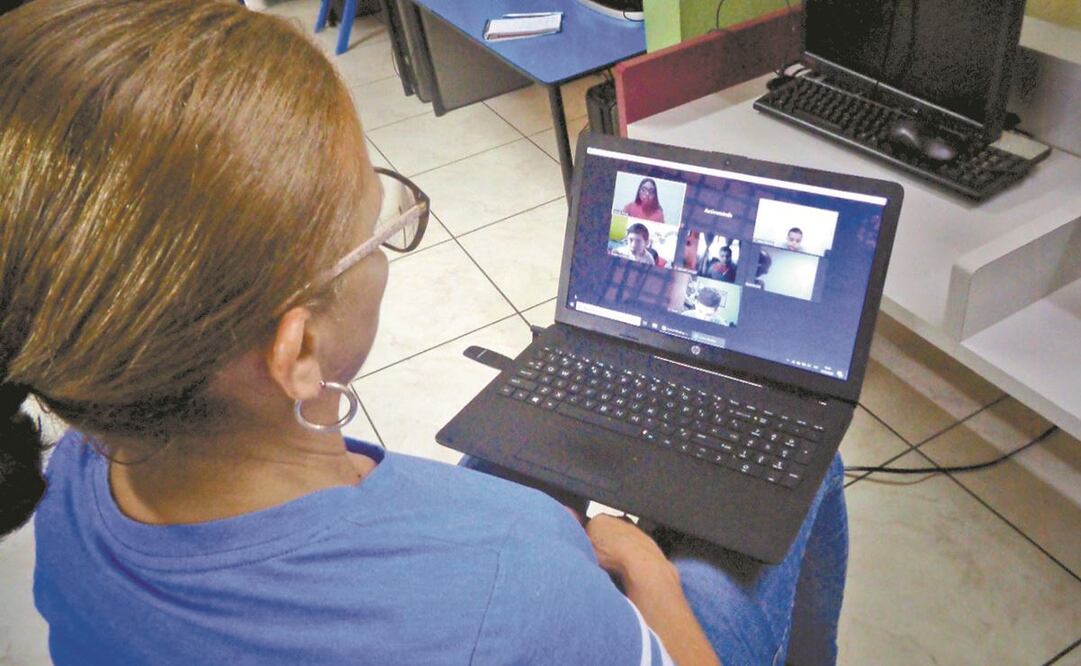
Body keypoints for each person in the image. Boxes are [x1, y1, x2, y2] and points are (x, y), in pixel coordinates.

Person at [0, 2, 848, 664]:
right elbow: (530, 588)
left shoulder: (79, 467)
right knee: (813, 472)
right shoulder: (514, 583)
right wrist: (647, 569)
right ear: (296, 355)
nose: (388, 225)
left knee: (531, 441)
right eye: (376, 222)